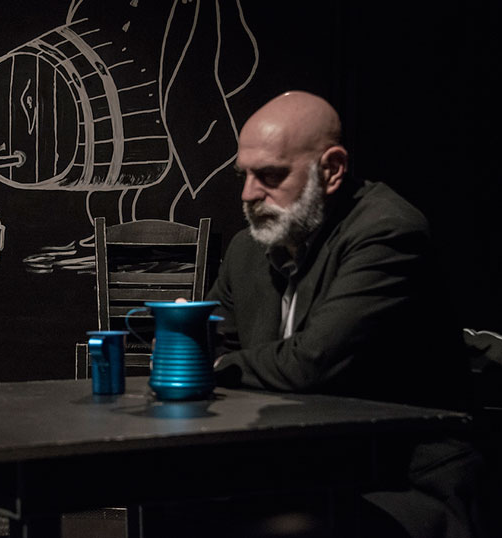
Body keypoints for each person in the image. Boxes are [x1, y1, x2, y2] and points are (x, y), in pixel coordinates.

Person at [198, 91, 500, 537]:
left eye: (270, 176)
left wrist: (219, 365)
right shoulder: (249, 248)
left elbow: (312, 362)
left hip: (398, 477)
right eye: (245, 175)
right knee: (181, 506)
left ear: (332, 169)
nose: (249, 195)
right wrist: (203, 356)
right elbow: (208, 345)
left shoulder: (387, 231)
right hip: (304, 467)